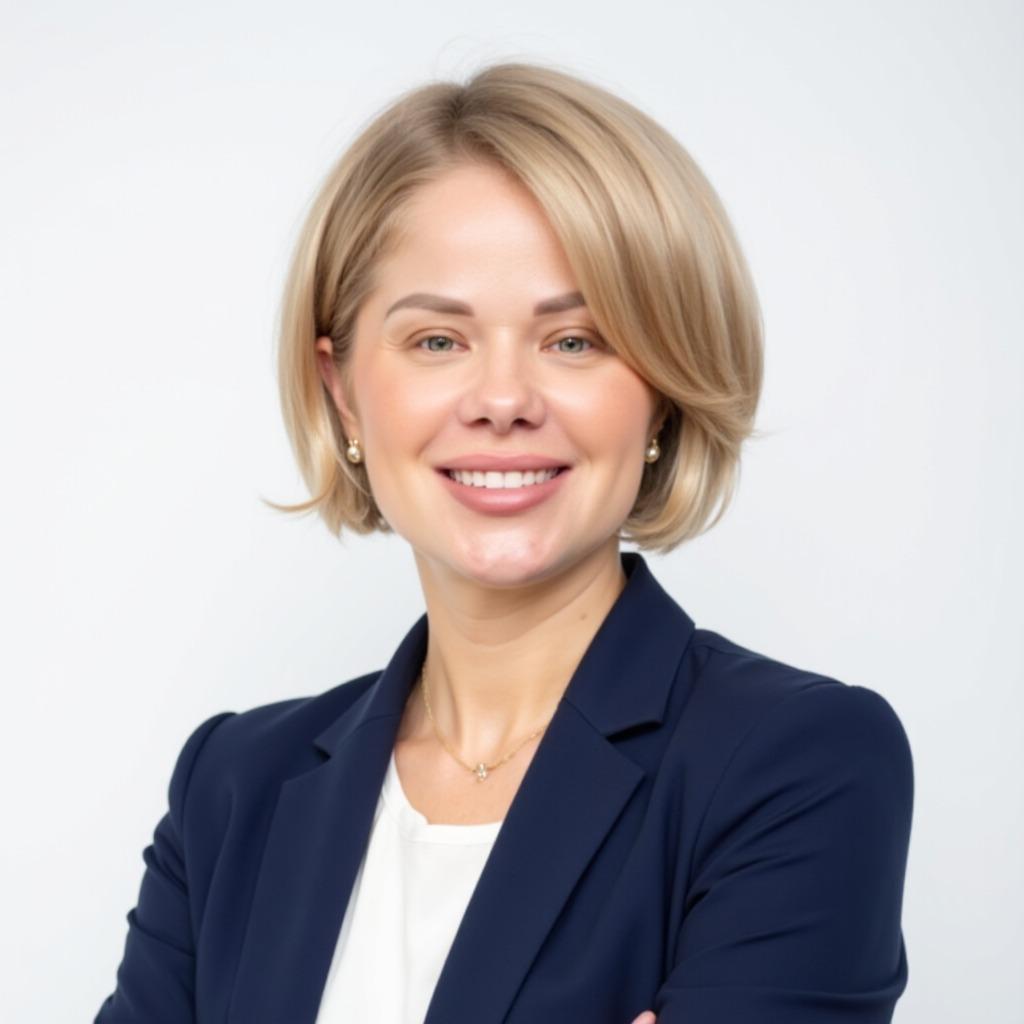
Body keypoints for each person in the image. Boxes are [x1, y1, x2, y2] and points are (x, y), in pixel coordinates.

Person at [94, 61, 914, 1024]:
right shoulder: (233, 786)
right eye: (438, 341)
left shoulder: (800, 764)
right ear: (343, 391)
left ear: (662, 389)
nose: (502, 401)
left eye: (575, 341)